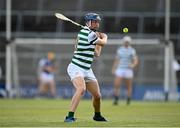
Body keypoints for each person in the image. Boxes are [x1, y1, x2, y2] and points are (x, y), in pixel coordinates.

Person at [64, 13, 108, 122]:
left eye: (97, 22)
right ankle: (69, 116)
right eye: (94, 21)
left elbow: (97, 53)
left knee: (97, 96)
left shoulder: (90, 34)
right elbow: (103, 43)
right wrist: (104, 37)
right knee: (81, 89)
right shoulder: (88, 34)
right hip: (76, 67)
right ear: (88, 22)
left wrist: (98, 39)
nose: (97, 24)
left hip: (87, 69)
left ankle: (97, 115)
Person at [111, 36, 138, 105]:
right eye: (125, 41)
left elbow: (135, 60)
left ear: (129, 42)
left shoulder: (132, 50)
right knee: (117, 85)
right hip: (120, 69)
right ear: (123, 42)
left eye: (127, 42)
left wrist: (133, 65)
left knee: (128, 86)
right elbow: (117, 60)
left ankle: (128, 99)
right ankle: (116, 99)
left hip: (128, 70)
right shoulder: (120, 50)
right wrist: (114, 68)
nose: (126, 43)